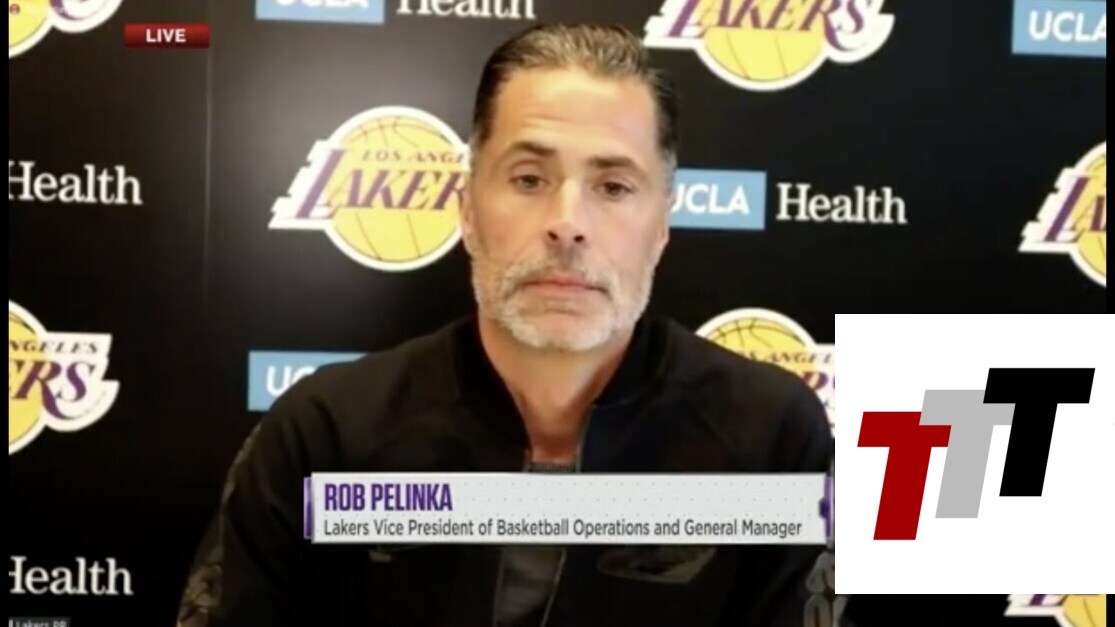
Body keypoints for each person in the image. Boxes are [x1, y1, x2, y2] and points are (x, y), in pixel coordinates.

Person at [177, 23, 832, 627]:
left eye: (612, 187)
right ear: (466, 209)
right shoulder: (326, 437)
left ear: (661, 224)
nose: (567, 223)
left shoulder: (770, 439)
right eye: (528, 178)